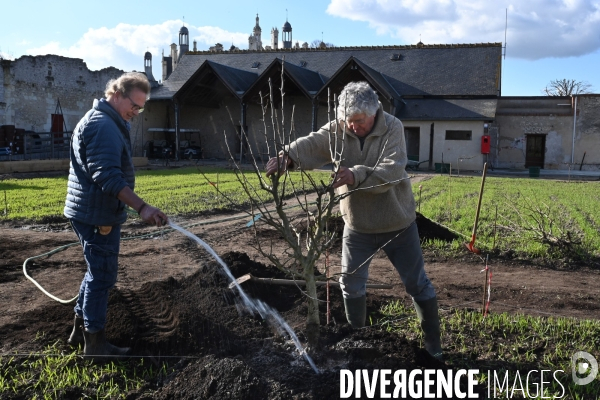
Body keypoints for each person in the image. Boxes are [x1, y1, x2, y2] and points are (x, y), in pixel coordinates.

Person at [265, 81, 442, 360]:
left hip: (397, 224)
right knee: (350, 283)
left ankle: (434, 348)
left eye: (358, 121)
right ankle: (359, 343)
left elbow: (393, 170)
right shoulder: (339, 128)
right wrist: (288, 155)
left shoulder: (392, 128)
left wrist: (356, 175)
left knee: (416, 284)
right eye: (348, 122)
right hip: (357, 225)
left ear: (373, 114)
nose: (353, 127)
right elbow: (314, 142)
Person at [64, 72, 168, 360]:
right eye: (134, 105)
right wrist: (142, 207)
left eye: (141, 108)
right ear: (117, 94)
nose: (136, 112)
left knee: (95, 271)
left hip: (91, 210)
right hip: (98, 216)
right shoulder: (103, 126)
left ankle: (79, 331)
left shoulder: (104, 120)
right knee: (102, 276)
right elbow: (107, 176)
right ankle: (95, 346)